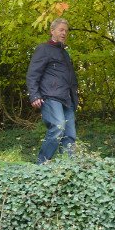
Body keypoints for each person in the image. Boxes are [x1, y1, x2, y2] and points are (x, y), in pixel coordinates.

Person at [26, 18, 79, 164]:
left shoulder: (65, 54)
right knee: (57, 127)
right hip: (51, 96)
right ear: (52, 31)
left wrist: (75, 99)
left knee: (70, 135)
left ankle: (69, 167)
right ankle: (41, 165)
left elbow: (70, 78)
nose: (64, 33)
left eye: (66, 31)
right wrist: (34, 95)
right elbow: (33, 74)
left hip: (67, 99)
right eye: (61, 30)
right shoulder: (43, 49)